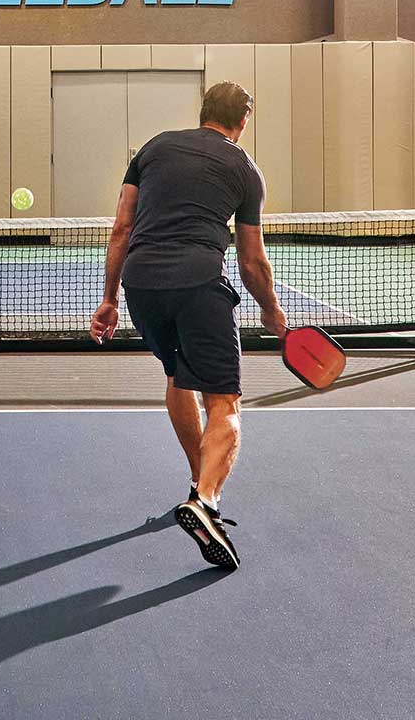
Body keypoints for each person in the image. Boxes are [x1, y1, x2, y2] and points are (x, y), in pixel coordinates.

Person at [89, 81, 281, 570]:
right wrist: (271, 310)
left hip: (142, 285)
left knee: (177, 375)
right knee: (225, 402)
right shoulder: (245, 169)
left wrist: (109, 299)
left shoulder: (153, 148)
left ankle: (200, 485)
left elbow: (121, 229)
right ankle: (207, 500)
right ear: (243, 121)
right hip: (200, 283)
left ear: (202, 112)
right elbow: (252, 262)